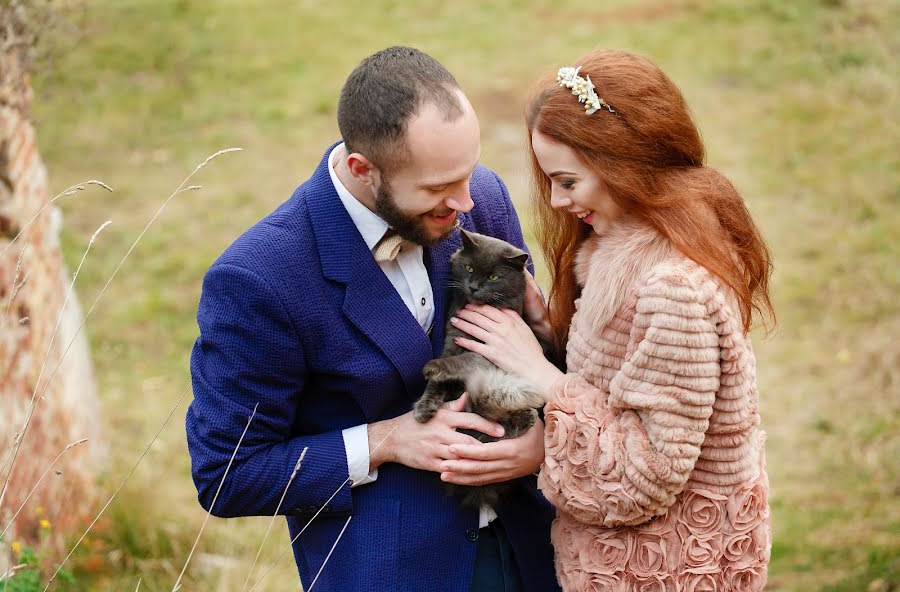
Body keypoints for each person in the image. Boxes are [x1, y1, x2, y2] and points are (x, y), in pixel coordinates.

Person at [185, 46, 560, 592]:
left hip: (539, 550)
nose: (465, 203)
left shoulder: (480, 198)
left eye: (468, 173)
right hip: (395, 571)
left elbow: (529, 365)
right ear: (363, 169)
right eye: (436, 190)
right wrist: (385, 440)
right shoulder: (259, 279)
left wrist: (544, 427)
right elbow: (227, 475)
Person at [448, 49, 774, 591]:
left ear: (622, 160)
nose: (555, 200)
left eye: (569, 181)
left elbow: (643, 474)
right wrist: (550, 330)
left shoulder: (673, 288)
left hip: (662, 570)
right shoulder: (623, 244)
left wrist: (541, 374)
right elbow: (627, 382)